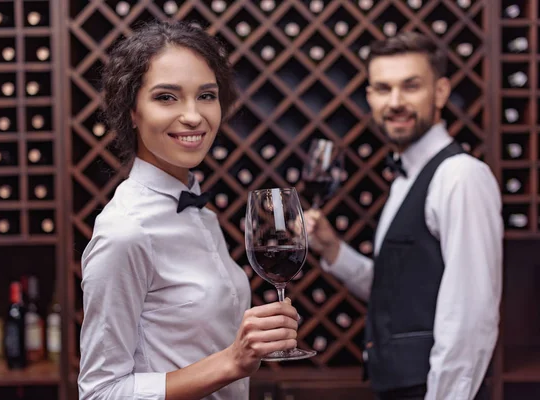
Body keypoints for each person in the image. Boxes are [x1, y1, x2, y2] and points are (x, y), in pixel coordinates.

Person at [77, 20, 299, 400]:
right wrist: (231, 362)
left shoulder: (198, 210)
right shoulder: (125, 231)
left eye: (206, 96)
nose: (194, 116)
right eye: (167, 97)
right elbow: (100, 392)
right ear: (132, 111)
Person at [304, 32, 502, 400]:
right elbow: (395, 290)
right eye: (383, 88)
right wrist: (333, 249)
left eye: (410, 87)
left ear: (440, 92)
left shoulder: (460, 177)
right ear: (370, 97)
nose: (395, 102)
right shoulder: (403, 181)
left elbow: (470, 318)